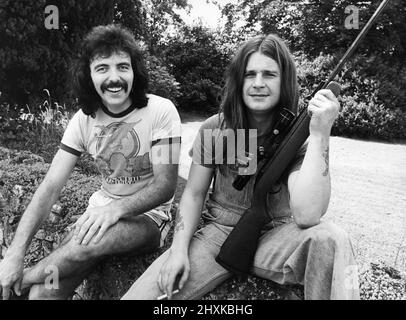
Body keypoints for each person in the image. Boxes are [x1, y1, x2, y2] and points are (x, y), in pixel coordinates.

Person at [122, 34, 360, 300]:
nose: (258, 83)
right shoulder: (215, 128)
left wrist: (319, 134)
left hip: (276, 236)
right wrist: (178, 251)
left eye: (269, 74)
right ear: (239, 80)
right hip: (217, 235)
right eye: (250, 74)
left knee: (333, 239)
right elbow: (193, 194)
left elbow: (307, 215)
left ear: (284, 81)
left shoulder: (297, 138)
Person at [0, 24, 181, 300]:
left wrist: (116, 209)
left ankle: (20, 280)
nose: (114, 78)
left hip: (149, 219)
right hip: (96, 214)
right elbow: (50, 187)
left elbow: (166, 186)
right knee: (42, 294)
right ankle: (26, 282)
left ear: (135, 71)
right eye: (102, 68)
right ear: (89, 76)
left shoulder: (161, 111)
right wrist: (15, 252)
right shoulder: (83, 121)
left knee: (89, 242)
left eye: (123, 66)